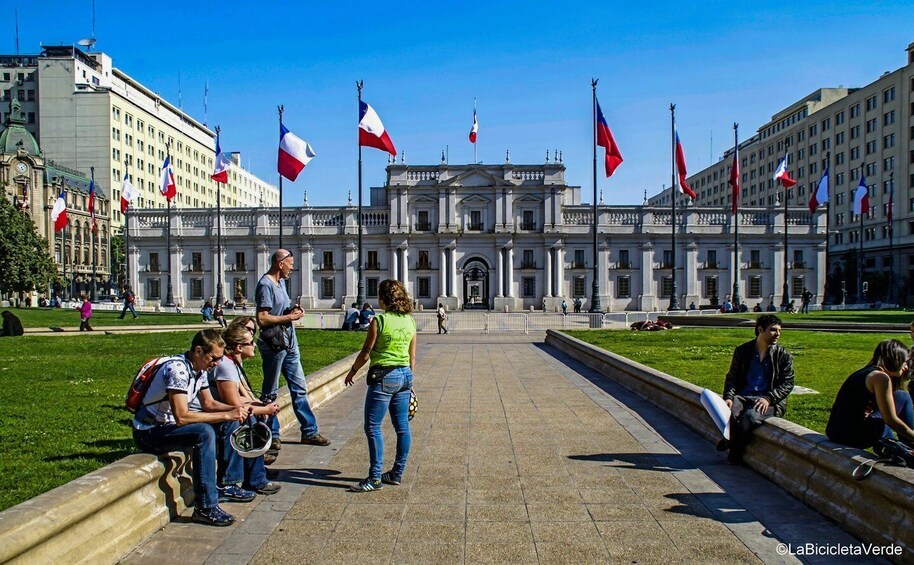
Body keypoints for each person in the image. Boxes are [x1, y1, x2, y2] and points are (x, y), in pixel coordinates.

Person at [131, 330, 251, 526]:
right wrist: (228, 413)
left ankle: (227, 484)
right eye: (214, 358)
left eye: (220, 359)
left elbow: (209, 405)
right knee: (203, 433)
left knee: (229, 421)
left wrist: (239, 408)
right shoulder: (177, 370)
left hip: (167, 427)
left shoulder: (200, 370)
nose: (217, 364)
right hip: (149, 432)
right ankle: (205, 507)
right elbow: (182, 417)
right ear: (198, 351)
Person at [256, 248, 330, 465]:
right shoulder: (266, 284)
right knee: (270, 391)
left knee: (299, 387)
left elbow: (281, 310)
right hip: (275, 344)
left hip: (290, 342)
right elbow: (262, 318)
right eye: (290, 263)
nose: (292, 268)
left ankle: (309, 430)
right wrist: (289, 316)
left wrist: (293, 310)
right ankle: (272, 434)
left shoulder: (281, 284)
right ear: (280, 263)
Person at [344, 279, 417, 492]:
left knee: (373, 426)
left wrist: (353, 371)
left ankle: (375, 478)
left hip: (384, 375)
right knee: (402, 427)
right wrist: (410, 381)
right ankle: (396, 473)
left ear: (384, 298)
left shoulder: (380, 320)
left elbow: (366, 352)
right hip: (405, 374)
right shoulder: (410, 321)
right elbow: (412, 356)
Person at [209, 319, 282, 499]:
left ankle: (256, 475)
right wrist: (262, 410)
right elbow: (234, 406)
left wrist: (261, 406)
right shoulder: (226, 366)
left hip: (220, 412)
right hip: (215, 416)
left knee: (259, 416)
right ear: (239, 347)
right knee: (249, 421)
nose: (255, 345)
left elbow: (242, 396)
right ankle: (246, 480)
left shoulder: (232, 363)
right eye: (251, 342)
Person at [720, 314, 794, 463]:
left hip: (768, 400)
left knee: (750, 417)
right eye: (773, 330)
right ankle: (732, 444)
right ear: (760, 329)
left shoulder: (783, 355)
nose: (778, 334)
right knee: (730, 414)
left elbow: (788, 383)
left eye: (779, 330)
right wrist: (729, 397)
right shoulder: (742, 351)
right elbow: (732, 377)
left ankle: (733, 451)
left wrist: (769, 398)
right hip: (743, 395)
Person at [827, 339, 914, 449]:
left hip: (836, 431)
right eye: (904, 362)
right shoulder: (880, 378)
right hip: (850, 436)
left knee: (900, 396)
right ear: (895, 359)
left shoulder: (868, 372)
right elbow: (890, 419)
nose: (906, 367)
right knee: (903, 397)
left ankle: (902, 449)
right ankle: (909, 448)